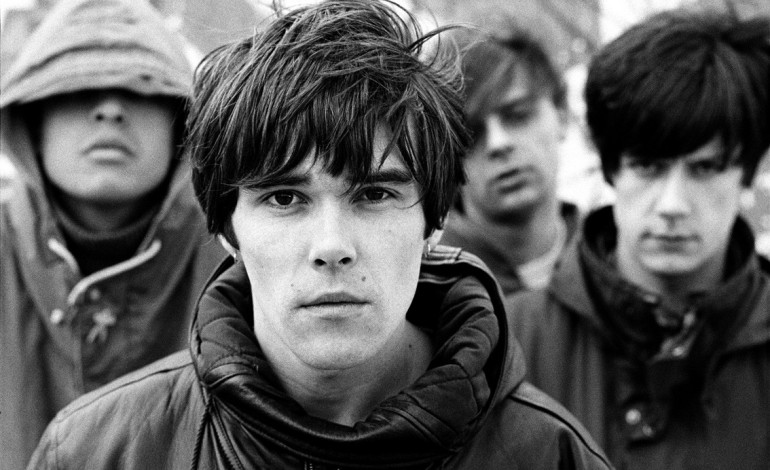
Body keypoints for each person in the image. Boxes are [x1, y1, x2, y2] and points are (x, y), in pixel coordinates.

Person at [27, 1, 612, 468]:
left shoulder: (549, 454)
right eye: (285, 198)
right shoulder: (96, 451)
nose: (332, 245)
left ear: (434, 219)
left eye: (374, 194)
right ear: (228, 228)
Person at [506, 8, 770, 469]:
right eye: (648, 166)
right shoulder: (508, 343)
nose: (672, 204)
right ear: (612, 169)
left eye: (704, 168)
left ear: (745, 173)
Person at [0, 0, 225, 467]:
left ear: (182, 126)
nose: (109, 110)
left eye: (140, 86)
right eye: (80, 86)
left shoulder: (238, 256)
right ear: (33, 119)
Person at [440, 27, 579, 295]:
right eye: (471, 131)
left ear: (562, 115)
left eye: (518, 115)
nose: (498, 143)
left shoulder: (620, 263)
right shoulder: (421, 290)